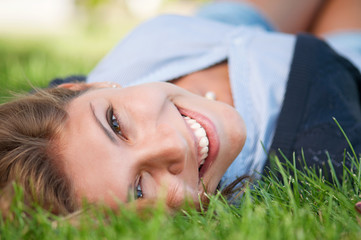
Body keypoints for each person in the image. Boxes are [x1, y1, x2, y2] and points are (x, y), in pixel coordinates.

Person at [0, 0, 361, 214]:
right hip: (332, 64)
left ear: (81, 87)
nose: (172, 144)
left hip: (217, 30)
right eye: (140, 190)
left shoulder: (60, 130)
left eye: (115, 124)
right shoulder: (324, 148)